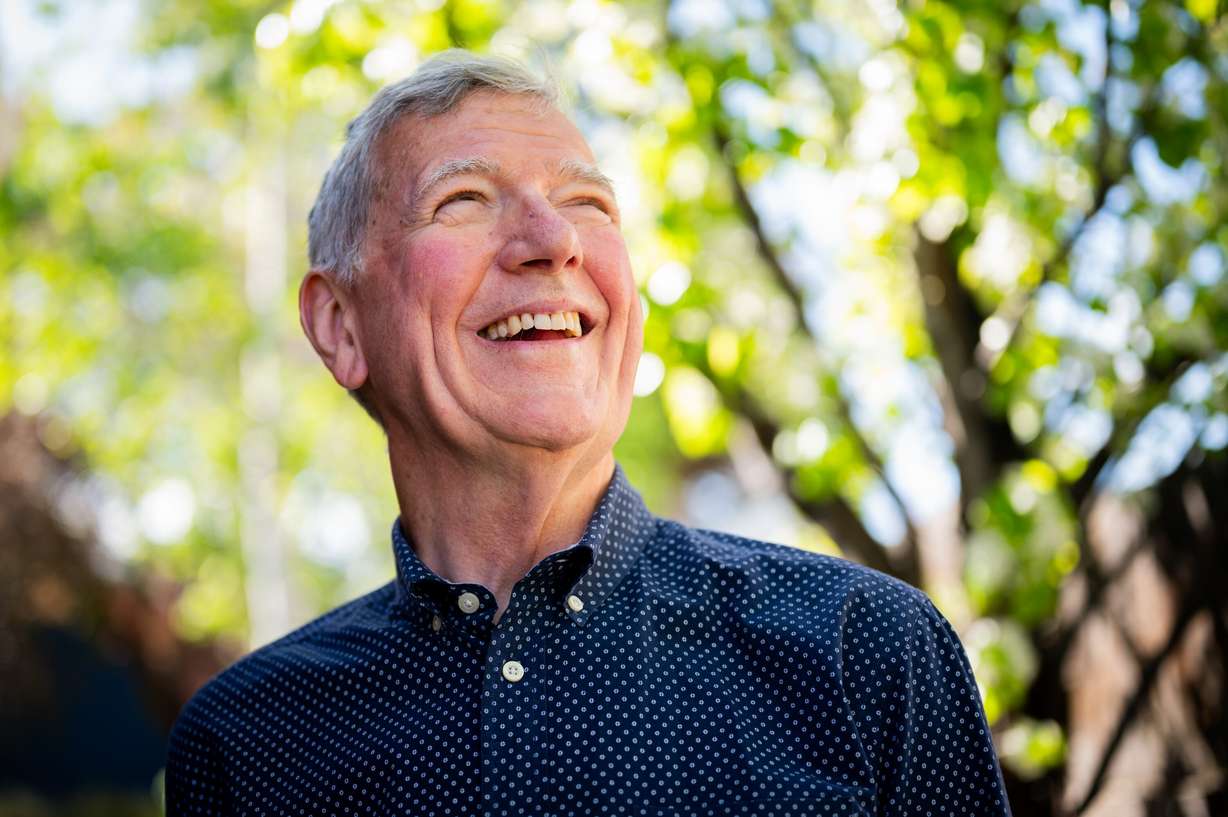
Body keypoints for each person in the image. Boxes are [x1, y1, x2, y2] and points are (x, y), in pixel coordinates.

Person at [165, 50, 1012, 816]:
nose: (555, 240)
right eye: (463, 200)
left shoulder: (867, 652)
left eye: (587, 203)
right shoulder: (246, 748)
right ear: (340, 326)